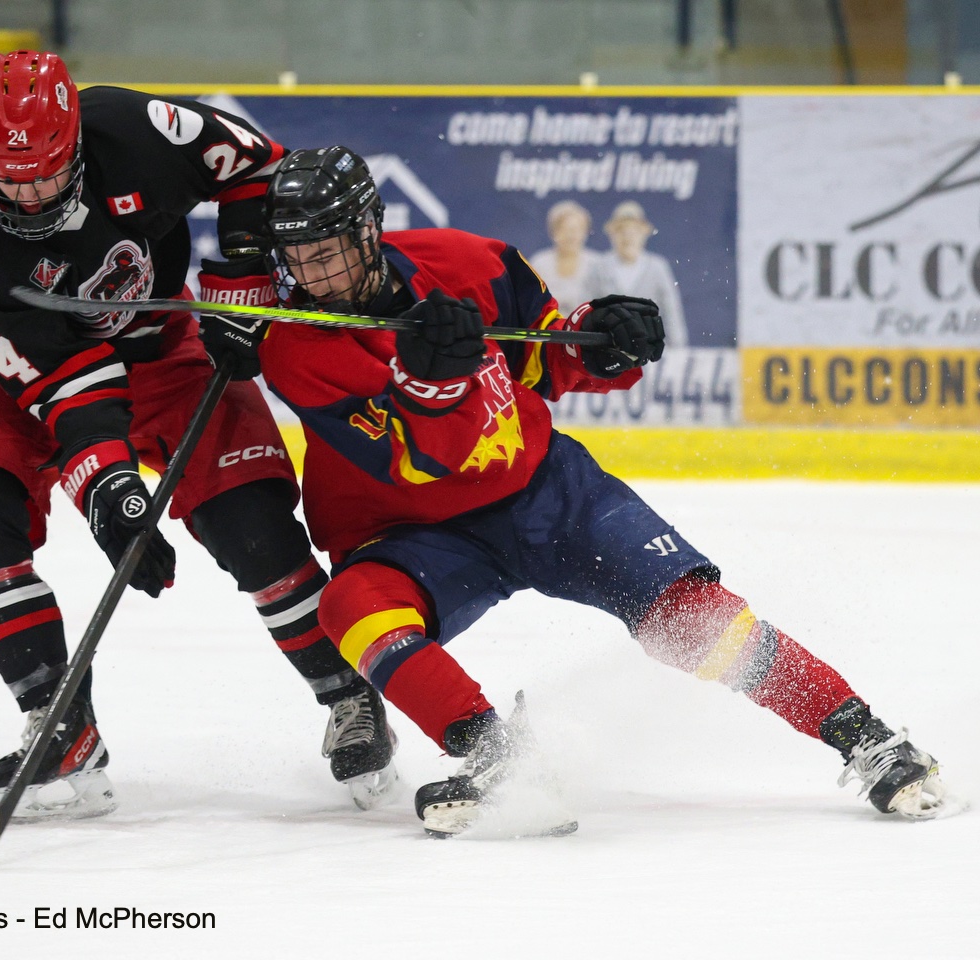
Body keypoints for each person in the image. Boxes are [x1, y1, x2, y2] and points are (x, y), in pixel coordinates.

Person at [199, 145, 949, 837]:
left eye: (326, 253)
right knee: (351, 610)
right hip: (408, 532)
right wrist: (434, 381)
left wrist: (607, 337)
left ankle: (868, 739)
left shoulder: (469, 263)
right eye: (296, 258)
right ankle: (502, 760)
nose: (313, 277)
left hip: (549, 493)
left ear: (369, 231)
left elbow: (550, 360)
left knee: (692, 621)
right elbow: (421, 463)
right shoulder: (295, 345)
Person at [0, 54, 397, 821]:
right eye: (10, 179)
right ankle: (59, 719)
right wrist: (111, 491)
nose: (29, 196)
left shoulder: (133, 128)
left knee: (250, 524)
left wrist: (242, 282)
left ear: (77, 141)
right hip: (30, 382)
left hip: (164, 346)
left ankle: (350, 694)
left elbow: (253, 163)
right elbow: (66, 386)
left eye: (47, 175)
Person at [589, 200, 689, 347]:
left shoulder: (657, 267)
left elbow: (671, 311)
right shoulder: (600, 267)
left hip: (649, 349)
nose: (628, 237)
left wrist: (678, 349)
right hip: (609, 348)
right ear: (612, 235)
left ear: (644, 233)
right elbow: (588, 309)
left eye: (634, 231)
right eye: (621, 231)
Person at [527, 200, 598, 316]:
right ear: (553, 232)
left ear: (585, 232)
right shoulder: (540, 263)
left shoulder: (597, 264)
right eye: (565, 229)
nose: (571, 235)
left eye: (576, 230)